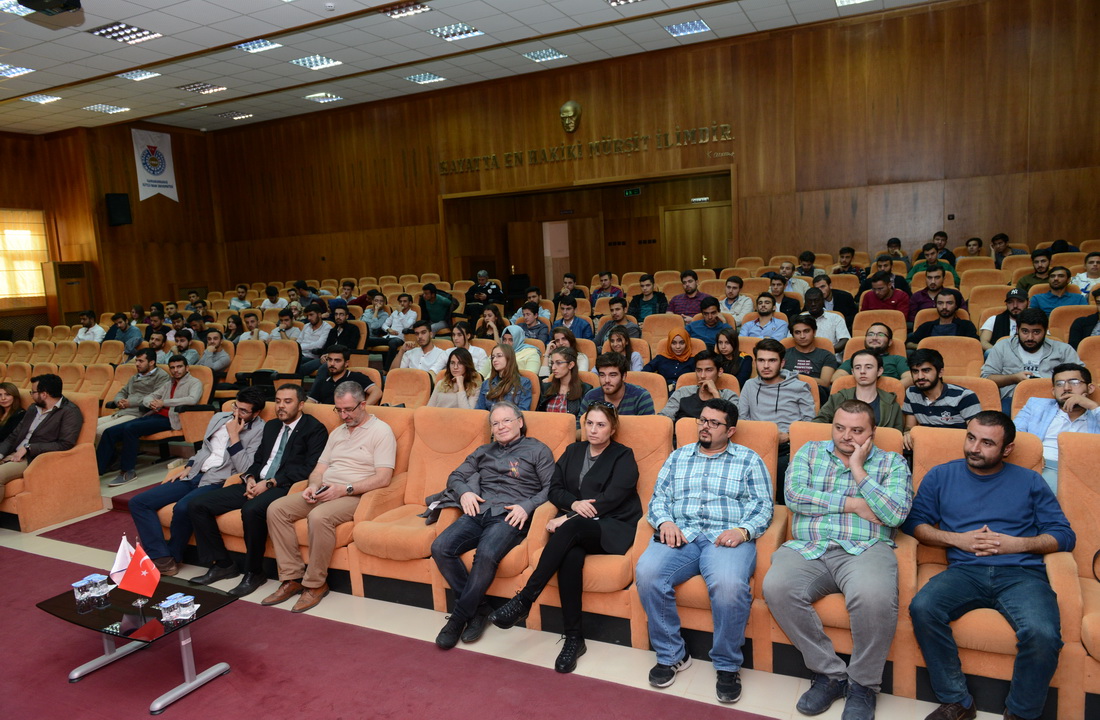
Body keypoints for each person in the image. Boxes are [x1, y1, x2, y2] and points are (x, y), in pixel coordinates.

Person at [904, 412, 1075, 720]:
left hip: (1021, 574)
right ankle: (957, 701)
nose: (974, 448)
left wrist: (1017, 544)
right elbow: (914, 523)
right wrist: (957, 540)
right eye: (971, 438)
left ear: (1007, 449)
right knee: (923, 607)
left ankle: (1021, 713)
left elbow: (1064, 535)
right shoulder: (941, 476)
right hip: (964, 570)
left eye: (987, 443)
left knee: (1043, 633)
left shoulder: (1029, 481)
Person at [764, 400, 912, 720]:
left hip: (866, 547)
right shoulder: (810, 452)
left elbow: (896, 514)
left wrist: (859, 470)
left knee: (874, 597)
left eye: (857, 431)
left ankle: (863, 684)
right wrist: (855, 505)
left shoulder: (892, 463)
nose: (846, 436)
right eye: (840, 428)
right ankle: (830, 673)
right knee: (776, 586)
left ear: (873, 432)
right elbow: (794, 496)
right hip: (810, 546)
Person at [636, 398, 772, 703]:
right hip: (681, 533)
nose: (705, 426)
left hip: (726, 537)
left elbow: (763, 506)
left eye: (713, 423)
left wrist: (743, 531)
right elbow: (659, 498)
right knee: (648, 572)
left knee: (728, 585)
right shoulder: (679, 457)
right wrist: (665, 521)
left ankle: (727, 665)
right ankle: (672, 654)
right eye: (702, 420)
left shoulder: (749, 460)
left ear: (730, 430)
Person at [490, 401, 640, 673]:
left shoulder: (623, 456)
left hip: (611, 527)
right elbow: (555, 489)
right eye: (589, 423)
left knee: (570, 529)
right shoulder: (573, 450)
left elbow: (612, 499)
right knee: (570, 558)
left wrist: (567, 517)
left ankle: (525, 598)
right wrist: (573, 505)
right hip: (576, 529)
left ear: (613, 428)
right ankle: (574, 639)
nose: (593, 430)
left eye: (601, 425)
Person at [264, 381, 396, 612]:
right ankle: (292, 577)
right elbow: (318, 470)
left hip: (355, 494)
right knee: (276, 509)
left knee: (319, 517)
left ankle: (315, 584)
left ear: (363, 404)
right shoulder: (337, 432)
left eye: (349, 410)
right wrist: (313, 486)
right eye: (339, 410)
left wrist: (345, 489)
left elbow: (384, 478)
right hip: (325, 490)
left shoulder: (381, 431)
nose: (343, 416)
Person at [432, 402, 555, 649]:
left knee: (486, 554)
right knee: (440, 547)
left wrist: (527, 506)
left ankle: (457, 619)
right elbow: (455, 476)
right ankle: (479, 609)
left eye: (507, 420)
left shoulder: (538, 450)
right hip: (479, 510)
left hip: (510, 515)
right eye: (495, 423)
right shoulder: (483, 451)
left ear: (520, 422)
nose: (501, 427)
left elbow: (552, 488)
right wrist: (465, 492)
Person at [187, 384, 328, 595]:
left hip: (284, 486)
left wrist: (270, 483)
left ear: (300, 404)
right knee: (198, 505)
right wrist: (250, 477)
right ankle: (223, 564)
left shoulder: (314, 429)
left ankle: (254, 572)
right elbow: (259, 460)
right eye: (278, 401)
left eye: (287, 402)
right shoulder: (272, 426)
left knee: (251, 510)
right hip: (257, 482)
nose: (281, 406)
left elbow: (308, 468)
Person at [128, 386, 267, 576]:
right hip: (195, 474)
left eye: (243, 411)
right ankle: (161, 557)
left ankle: (172, 557)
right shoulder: (219, 418)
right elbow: (205, 448)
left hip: (218, 480)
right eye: (235, 407)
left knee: (184, 507)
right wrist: (189, 465)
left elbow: (246, 467)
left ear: (256, 413)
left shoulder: (261, 430)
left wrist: (234, 436)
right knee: (138, 502)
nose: (236, 413)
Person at [97, 355, 204, 487]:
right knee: (110, 432)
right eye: (172, 368)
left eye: (179, 367)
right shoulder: (169, 384)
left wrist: (163, 402)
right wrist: (151, 403)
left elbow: (192, 399)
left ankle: (127, 472)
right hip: (154, 415)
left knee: (131, 429)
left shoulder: (195, 382)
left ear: (187, 368)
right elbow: (149, 397)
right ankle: (96, 471)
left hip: (172, 419)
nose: (176, 370)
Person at [738, 338, 816, 501]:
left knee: (783, 469)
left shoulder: (798, 387)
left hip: (787, 447)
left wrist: (788, 436)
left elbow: (810, 424)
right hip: (755, 445)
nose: (766, 366)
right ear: (755, 362)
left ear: (782, 363)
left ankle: (781, 508)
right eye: (761, 360)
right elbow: (742, 419)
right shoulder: (749, 385)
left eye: (772, 360)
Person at [1013, 363, 1100, 492]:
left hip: (1086, 472)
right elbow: (1015, 434)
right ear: (1053, 391)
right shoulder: (1035, 405)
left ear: (1090, 388)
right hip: (1044, 466)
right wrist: (1032, 455)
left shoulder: (1096, 413)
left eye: (1074, 382)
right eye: (1059, 384)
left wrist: (1092, 406)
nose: (1066, 388)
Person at [981, 308, 1080, 413]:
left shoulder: (1063, 350)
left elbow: (1080, 378)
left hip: (1052, 398)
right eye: (1025, 331)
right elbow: (986, 378)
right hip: (1012, 399)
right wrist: (1014, 378)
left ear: (1045, 330)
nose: (1030, 338)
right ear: (1017, 329)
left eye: (1036, 332)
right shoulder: (1002, 347)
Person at [0, 374, 84, 486]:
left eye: (33, 392)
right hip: (14, 452)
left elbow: (65, 444)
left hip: (34, 458)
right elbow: (14, 435)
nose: (31, 395)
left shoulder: (69, 412)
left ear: (44, 394)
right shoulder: (33, 408)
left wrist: (29, 448)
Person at [902, 349, 982, 450]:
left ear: (940, 372)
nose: (920, 376)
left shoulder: (964, 396)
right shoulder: (911, 393)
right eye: (915, 371)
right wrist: (907, 433)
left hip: (958, 448)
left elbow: (977, 434)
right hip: (926, 448)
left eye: (926, 370)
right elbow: (910, 427)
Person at [815, 350, 904, 431]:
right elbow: (818, 423)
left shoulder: (891, 403)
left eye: (868, 367)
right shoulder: (838, 398)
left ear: (879, 371)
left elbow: (898, 434)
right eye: (857, 367)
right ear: (853, 372)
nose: (862, 371)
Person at [96, 348, 170, 441]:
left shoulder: (162, 376)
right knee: (89, 426)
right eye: (136, 361)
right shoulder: (135, 376)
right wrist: (119, 401)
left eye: (141, 361)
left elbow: (156, 397)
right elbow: (122, 392)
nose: (137, 364)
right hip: (121, 412)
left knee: (100, 430)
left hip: (138, 414)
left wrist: (130, 402)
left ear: (151, 362)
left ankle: (100, 451)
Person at [661, 350, 739, 422]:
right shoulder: (683, 392)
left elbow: (732, 423)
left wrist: (716, 394)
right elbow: (663, 419)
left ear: (720, 372)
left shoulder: (729, 396)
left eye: (708, 370)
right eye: (699, 370)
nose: (702, 376)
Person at [834, 323, 912, 385]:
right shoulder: (856, 358)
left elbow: (909, 378)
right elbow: (836, 378)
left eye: (881, 335)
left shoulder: (898, 359)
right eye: (870, 334)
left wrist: (890, 390)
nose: (874, 338)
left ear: (890, 342)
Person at [784, 314, 838, 403]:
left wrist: (793, 377)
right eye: (797, 332)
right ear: (792, 335)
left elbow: (824, 383)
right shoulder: (783, 354)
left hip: (814, 395)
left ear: (814, 332)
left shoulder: (827, 356)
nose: (802, 336)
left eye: (806, 331)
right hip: (786, 395)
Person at [583, 352, 655, 415]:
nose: (606, 380)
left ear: (623, 376)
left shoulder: (641, 397)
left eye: (612, 375)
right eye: (602, 375)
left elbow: (648, 426)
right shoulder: (590, 397)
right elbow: (580, 425)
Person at [306, 345, 379, 406]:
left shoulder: (356, 377)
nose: (332, 364)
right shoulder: (323, 381)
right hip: (326, 415)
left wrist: (363, 407)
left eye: (337, 360)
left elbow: (377, 392)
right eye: (330, 360)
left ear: (346, 363)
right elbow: (310, 401)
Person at [905, 289, 978, 349]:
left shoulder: (966, 326)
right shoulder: (926, 326)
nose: (944, 307)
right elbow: (908, 343)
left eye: (949, 303)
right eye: (940, 303)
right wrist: (925, 347)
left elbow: (976, 343)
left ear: (956, 305)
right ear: (936, 305)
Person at [536, 347, 593, 422]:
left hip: (571, 429)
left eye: (558, 363)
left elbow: (583, 421)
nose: (553, 368)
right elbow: (538, 416)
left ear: (571, 365)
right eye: (552, 363)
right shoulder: (546, 387)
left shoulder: (585, 390)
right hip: (546, 427)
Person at [476, 344, 533, 411]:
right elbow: (479, 411)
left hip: (511, 417)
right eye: (493, 357)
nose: (494, 360)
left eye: (499, 356)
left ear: (509, 358)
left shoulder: (524, 383)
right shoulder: (486, 384)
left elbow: (523, 411)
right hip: (490, 417)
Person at [802, 287, 850, 353]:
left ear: (822, 301)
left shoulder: (836, 318)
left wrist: (827, 351)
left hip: (831, 355)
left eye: (816, 300)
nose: (813, 304)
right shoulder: (800, 319)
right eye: (810, 301)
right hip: (804, 356)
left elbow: (844, 339)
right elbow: (790, 340)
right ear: (805, 303)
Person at [377, 293, 418, 367]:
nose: (402, 303)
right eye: (400, 301)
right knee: (368, 340)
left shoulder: (413, 314)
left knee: (392, 343)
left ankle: (388, 369)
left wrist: (400, 313)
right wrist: (388, 329)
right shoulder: (394, 313)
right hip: (388, 337)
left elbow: (406, 326)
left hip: (400, 338)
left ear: (410, 303)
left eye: (404, 301)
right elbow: (384, 325)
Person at [297, 304, 331, 374]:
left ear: (319, 315)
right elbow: (298, 341)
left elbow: (319, 345)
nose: (309, 318)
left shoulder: (327, 328)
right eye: (307, 316)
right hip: (300, 355)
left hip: (314, 357)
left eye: (311, 315)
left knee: (297, 368)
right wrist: (298, 347)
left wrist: (300, 347)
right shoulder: (306, 326)